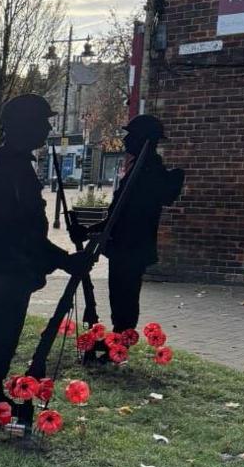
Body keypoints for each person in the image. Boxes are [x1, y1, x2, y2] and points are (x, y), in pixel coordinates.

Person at [0, 94, 86, 434]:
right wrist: (65, 261)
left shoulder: (17, 167)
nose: (47, 127)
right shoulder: (10, 170)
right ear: (23, 125)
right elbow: (22, 233)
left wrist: (62, 260)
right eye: (42, 121)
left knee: (2, 342)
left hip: (10, 272)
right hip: (5, 273)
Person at [71, 114, 184, 348]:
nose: (126, 140)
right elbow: (117, 213)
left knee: (125, 297)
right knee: (121, 296)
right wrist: (91, 231)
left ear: (145, 139)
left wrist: (91, 231)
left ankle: (121, 343)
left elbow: (124, 215)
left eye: (131, 135)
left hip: (131, 247)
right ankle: (119, 339)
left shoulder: (149, 171)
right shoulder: (139, 168)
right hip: (126, 246)